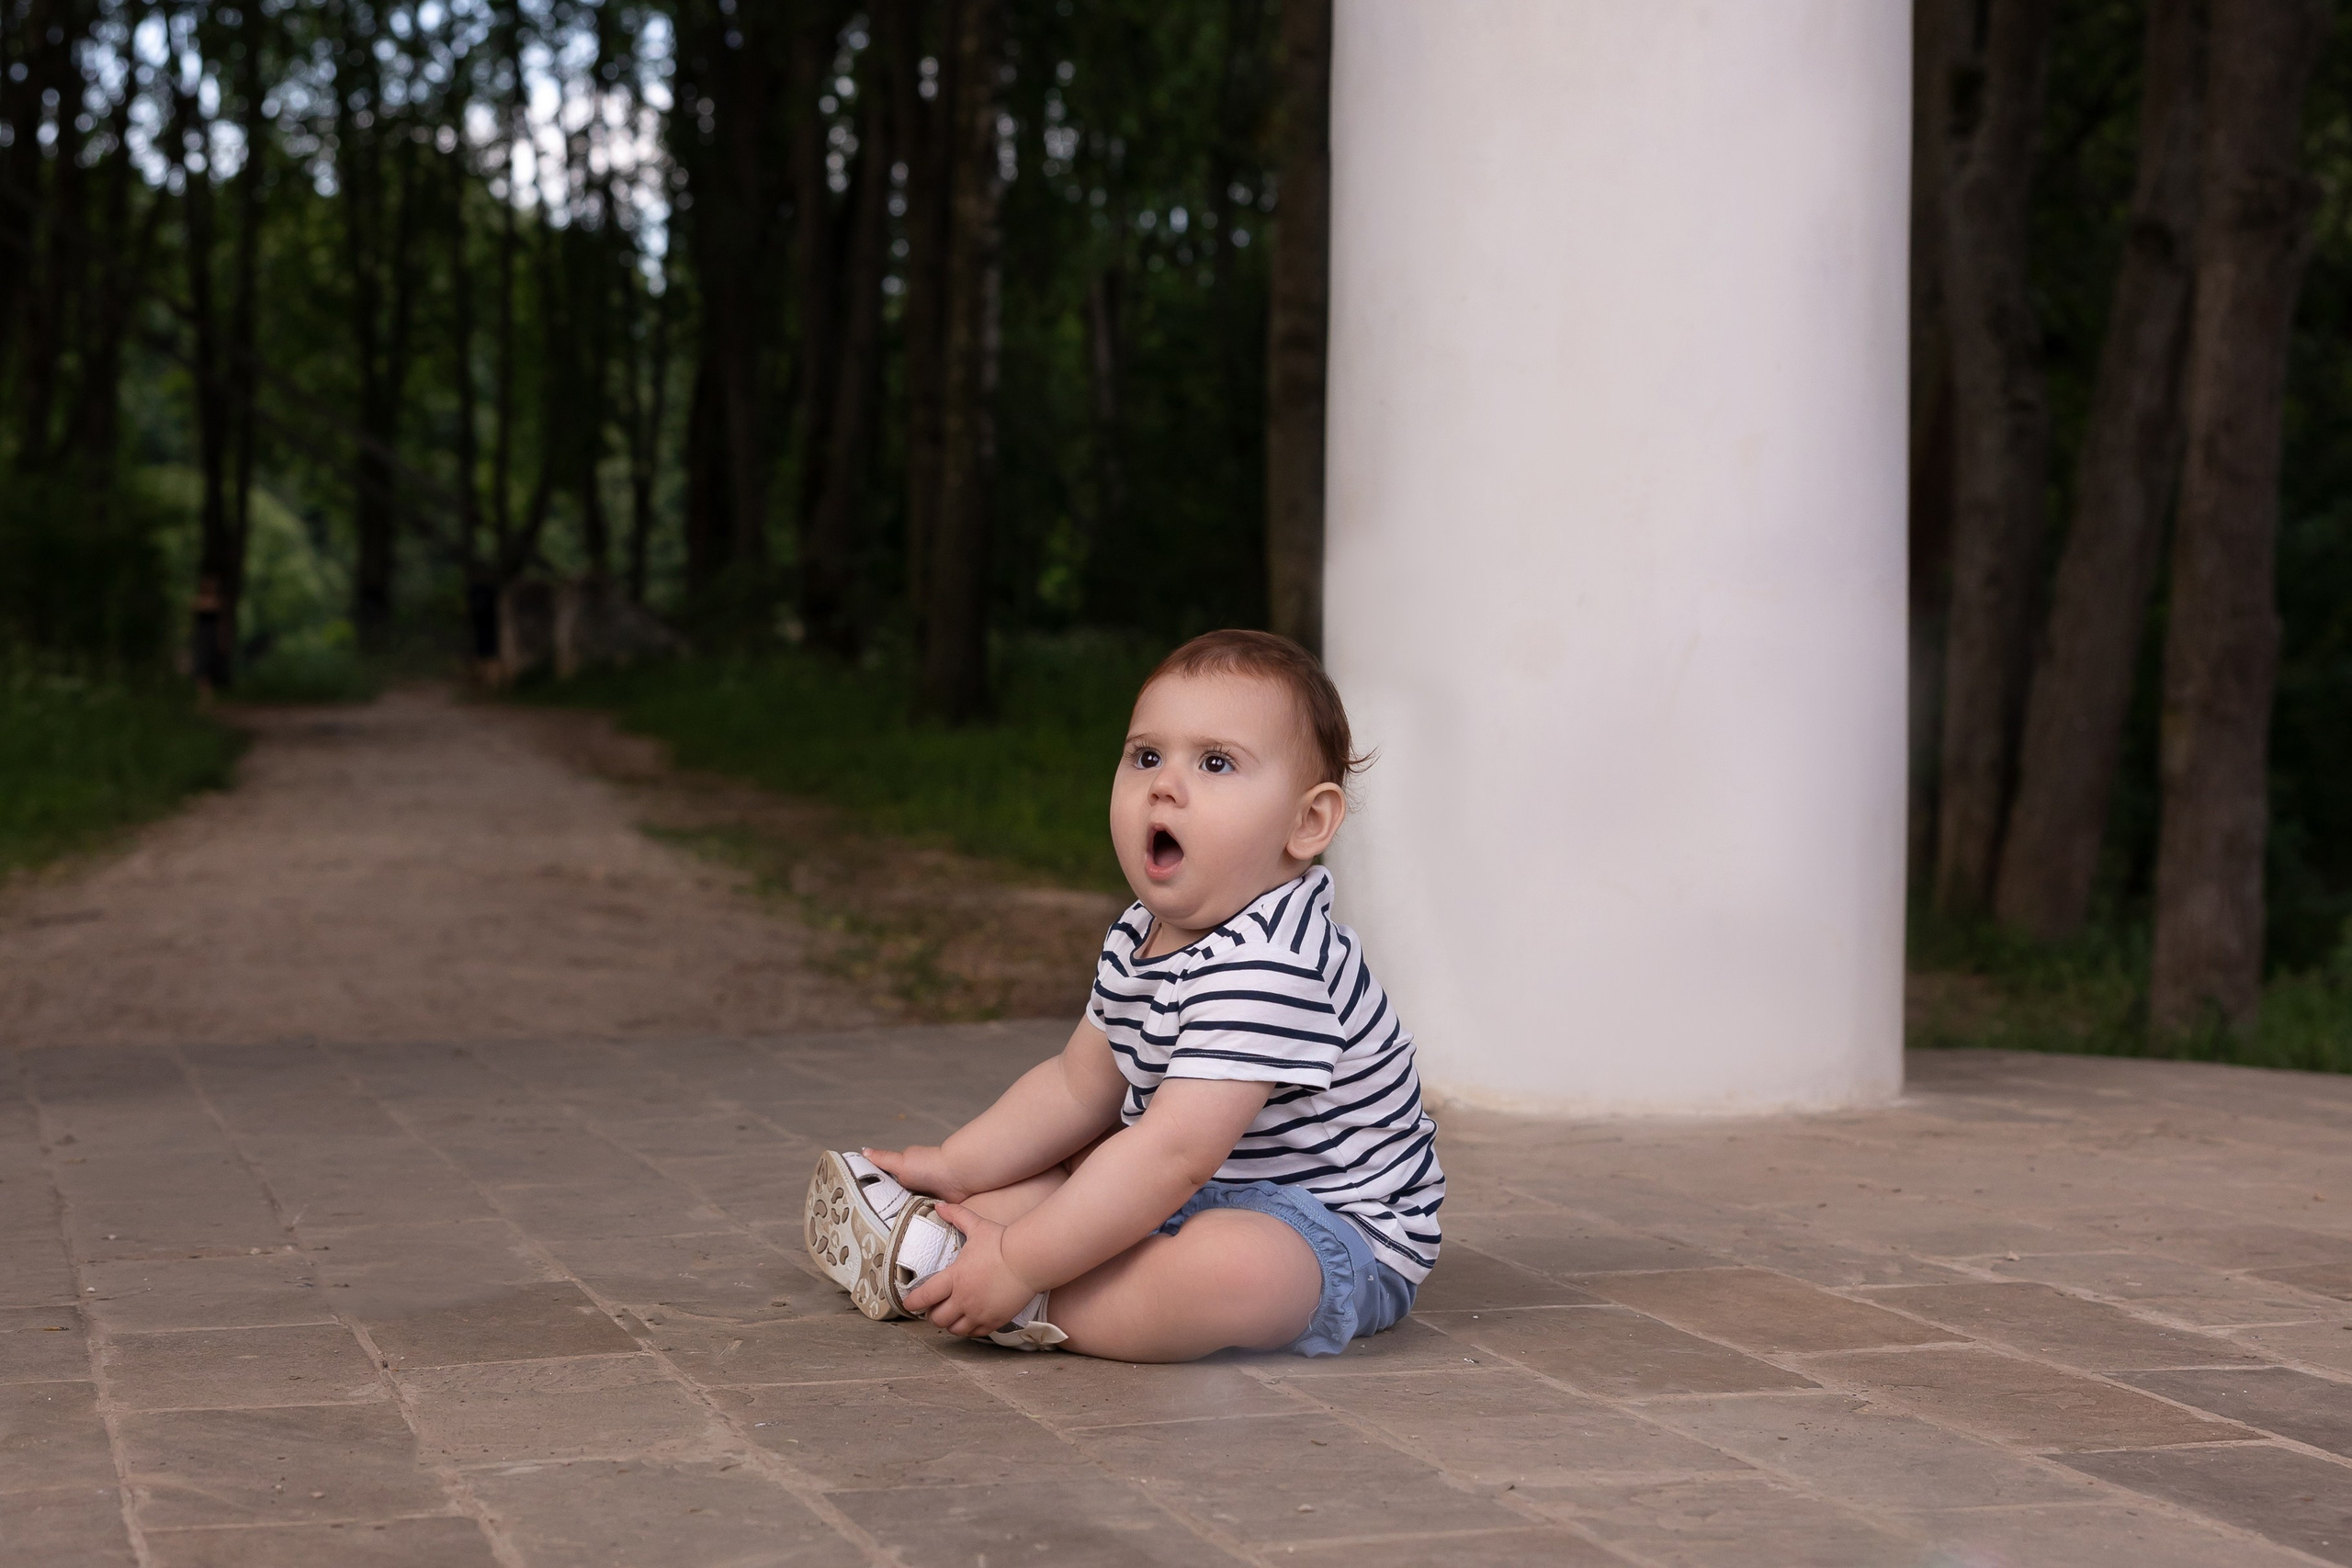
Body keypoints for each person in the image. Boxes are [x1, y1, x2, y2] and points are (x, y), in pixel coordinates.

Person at [802, 629, 1443, 1361]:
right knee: (1060, 1171)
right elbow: (1078, 1086)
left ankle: (1022, 1292)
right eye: (1146, 756)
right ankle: (934, 1240)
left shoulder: (1275, 960)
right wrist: (960, 1163)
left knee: (1229, 1270)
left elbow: (1174, 1154)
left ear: (1307, 822)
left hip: (1334, 1229)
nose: (1164, 784)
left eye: (1215, 762)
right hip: (1187, 1186)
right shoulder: (1144, 931)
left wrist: (1022, 1261)